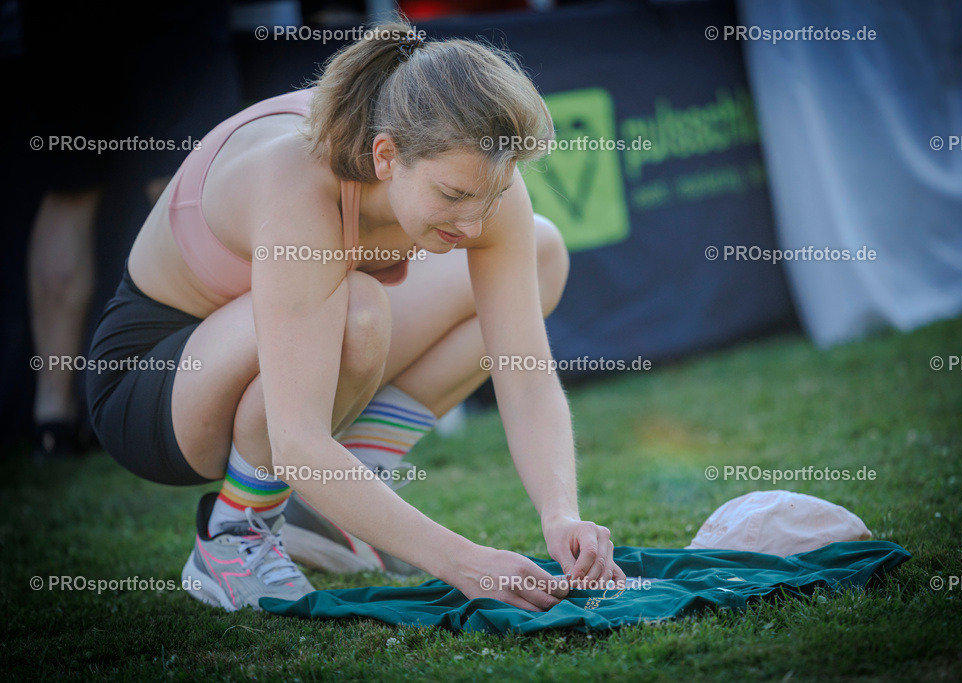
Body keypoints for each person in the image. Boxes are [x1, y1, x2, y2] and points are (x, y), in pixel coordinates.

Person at [85, 20, 625, 612]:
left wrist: (561, 513)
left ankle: (342, 494)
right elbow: (297, 443)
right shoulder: (298, 182)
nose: (474, 224)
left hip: (263, 349)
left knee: (541, 249)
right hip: (153, 386)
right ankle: (234, 532)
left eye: (490, 198)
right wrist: (464, 562)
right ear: (386, 156)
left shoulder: (477, 169)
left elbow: (524, 376)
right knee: (357, 311)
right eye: (452, 197)